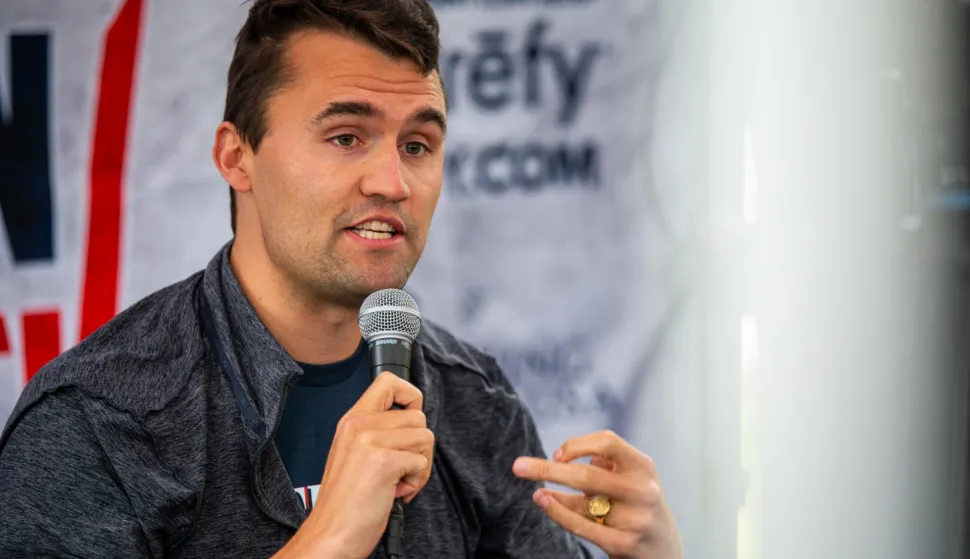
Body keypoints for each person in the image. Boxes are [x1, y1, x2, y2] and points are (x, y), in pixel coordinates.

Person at [0, 1, 683, 557]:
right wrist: (327, 540)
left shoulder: (476, 403)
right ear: (237, 157)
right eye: (346, 137)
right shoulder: (95, 419)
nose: (392, 182)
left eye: (417, 145)